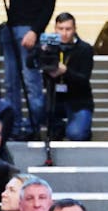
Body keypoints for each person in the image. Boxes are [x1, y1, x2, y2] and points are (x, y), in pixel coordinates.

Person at [0, 0, 59, 139]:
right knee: (11, 82)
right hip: (10, 27)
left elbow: (49, 4)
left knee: (31, 82)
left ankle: (35, 127)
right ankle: (13, 127)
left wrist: (36, 30)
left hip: (28, 29)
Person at [40, 12, 95, 141]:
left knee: (76, 134)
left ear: (75, 29)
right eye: (60, 29)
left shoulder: (85, 49)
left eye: (68, 29)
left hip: (79, 100)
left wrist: (65, 71)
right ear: (55, 29)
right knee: (36, 107)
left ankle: (81, 129)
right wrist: (39, 52)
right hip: (54, 98)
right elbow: (31, 63)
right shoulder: (49, 45)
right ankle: (57, 127)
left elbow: (84, 79)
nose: (64, 33)